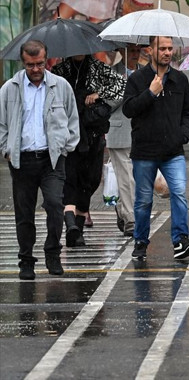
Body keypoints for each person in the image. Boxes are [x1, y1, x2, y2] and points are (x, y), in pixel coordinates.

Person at [0, 40, 80, 279]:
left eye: (40, 64)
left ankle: (53, 253)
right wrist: (6, 149)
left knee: (55, 206)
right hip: (22, 160)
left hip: (52, 159)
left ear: (47, 61)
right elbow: (1, 123)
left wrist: (66, 147)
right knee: (24, 213)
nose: (36, 69)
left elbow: (73, 119)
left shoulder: (60, 86)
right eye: (30, 65)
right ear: (23, 62)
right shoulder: (10, 88)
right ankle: (26, 260)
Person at [123, 36, 189, 261]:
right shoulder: (138, 79)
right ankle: (140, 242)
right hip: (144, 151)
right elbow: (128, 109)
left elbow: (188, 111)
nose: (167, 52)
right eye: (162, 48)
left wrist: (183, 135)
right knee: (144, 200)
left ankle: (180, 240)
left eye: (169, 48)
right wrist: (150, 93)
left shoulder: (179, 79)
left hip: (173, 151)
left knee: (179, 193)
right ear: (150, 51)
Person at [52, 53, 126, 244]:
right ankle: (72, 227)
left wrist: (98, 94)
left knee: (90, 179)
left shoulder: (99, 68)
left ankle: (77, 225)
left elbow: (121, 86)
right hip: (68, 134)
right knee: (70, 179)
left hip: (92, 133)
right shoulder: (59, 71)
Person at [106, 44, 147, 238]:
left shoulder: (146, 74)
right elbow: (107, 102)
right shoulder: (111, 73)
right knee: (125, 178)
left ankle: (123, 210)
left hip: (141, 132)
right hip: (119, 131)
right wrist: (122, 86)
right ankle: (131, 219)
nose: (134, 55)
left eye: (137, 52)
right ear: (121, 52)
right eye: (131, 51)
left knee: (135, 177)